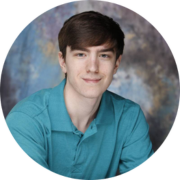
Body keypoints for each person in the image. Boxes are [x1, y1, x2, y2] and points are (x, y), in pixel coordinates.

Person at [6, 11, 154, 179]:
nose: (92, 67)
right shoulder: (25, 121)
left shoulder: (130, 117)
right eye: (81, 54)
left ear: (116, 64)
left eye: (104, 55)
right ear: (63, 62)